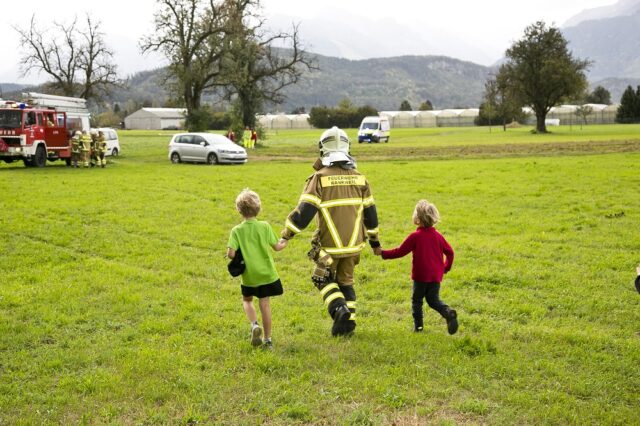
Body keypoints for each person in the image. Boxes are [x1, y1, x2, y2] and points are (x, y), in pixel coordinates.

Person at [281, 126, 381, 336]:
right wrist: (375, 243)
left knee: (321, 279)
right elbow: (371, 216)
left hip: (328, 248)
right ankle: (348, 326)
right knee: (346, 282)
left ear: (322, 150)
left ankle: (339, 308)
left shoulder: (319, 178)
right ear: (347, 148)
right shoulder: (360, 178)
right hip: (354, 247)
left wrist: (286, 235)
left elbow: (304, 213)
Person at [375, 200, 458, 334]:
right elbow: (450, 252)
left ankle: (418, 328)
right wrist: (445, 268)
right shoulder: (438, 236)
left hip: (421, 276)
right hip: (436, 276)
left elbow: (400, 251)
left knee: (417, 301)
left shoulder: (415, 236)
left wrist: (382, 253)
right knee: (433, 300)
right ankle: (448, 312)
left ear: (418, 220)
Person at [227, 189, 288, 349]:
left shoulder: (236, 231)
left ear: (239, 210)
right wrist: (285, 240)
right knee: (265, 304)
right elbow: (277, 247)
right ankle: (268, 340)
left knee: (247, 300)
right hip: (267, 274)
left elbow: (231, 254)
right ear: (258, 208)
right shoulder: (265, 226)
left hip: (249, 276)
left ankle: (254, 324)